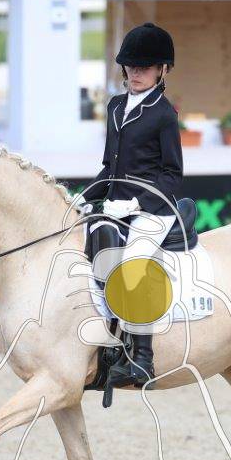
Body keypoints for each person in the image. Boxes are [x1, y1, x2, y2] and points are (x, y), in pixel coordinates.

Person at [82, 21, 183, 389]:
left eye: (145, 67)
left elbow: (172, 174)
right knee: (91, 248)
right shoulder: (115, 106)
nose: (136, 73)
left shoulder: (164, 114)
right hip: (114, 204)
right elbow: (109, 167)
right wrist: (85, 197)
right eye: (131, 67)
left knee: (133, 264)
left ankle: (142, 359)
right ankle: (106, 341)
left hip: (153, 209)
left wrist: (136, 203)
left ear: (162, 70)